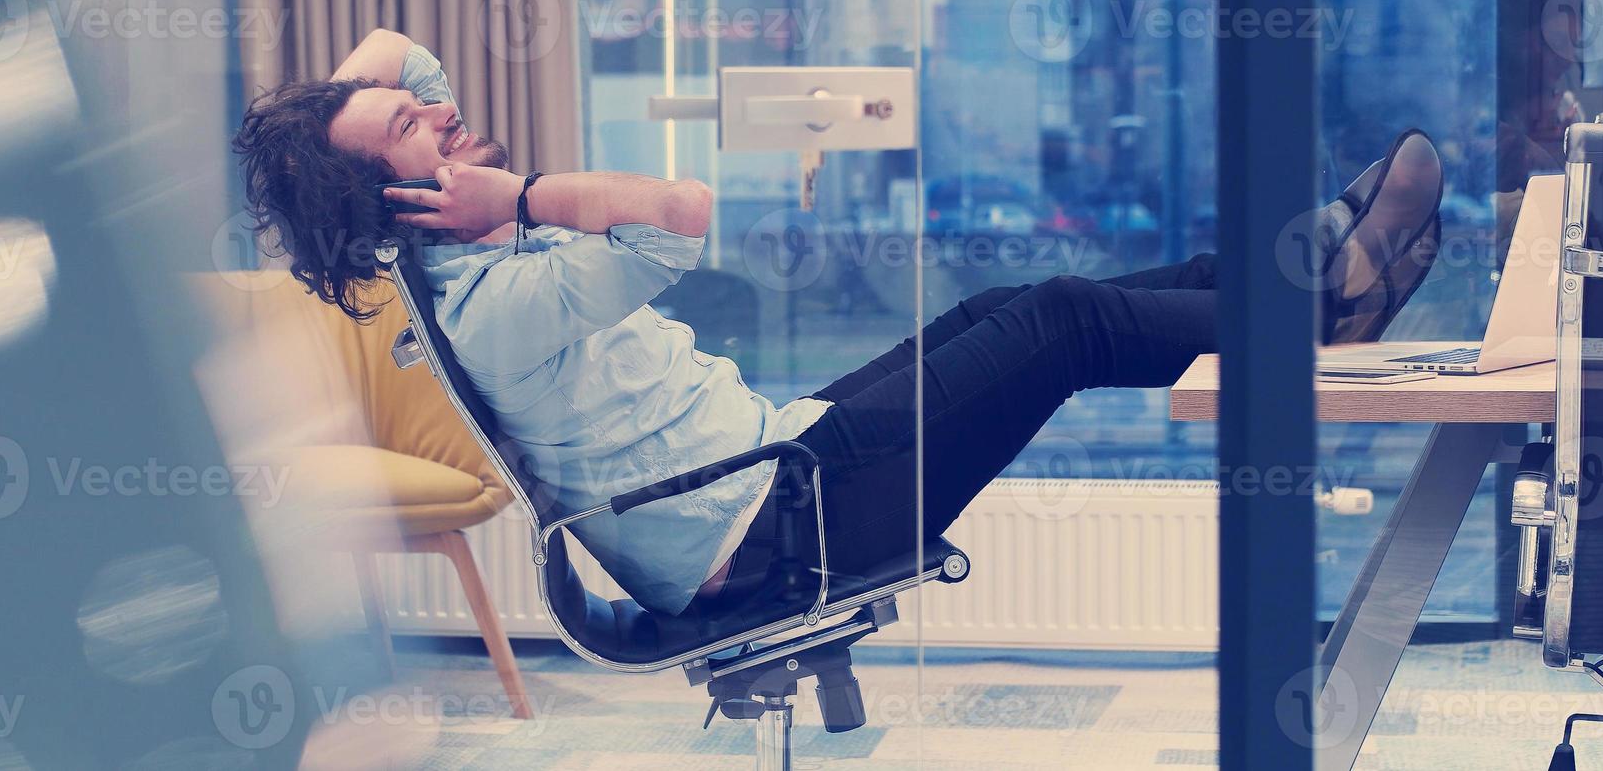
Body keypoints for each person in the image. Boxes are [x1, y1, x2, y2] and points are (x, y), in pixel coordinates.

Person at [233, 30, 1442, 615]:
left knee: (1007, 304)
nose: (440, 119)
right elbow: (676, 218)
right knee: (1064, 319)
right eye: (410, 134)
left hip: (775, 458)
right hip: (771, 527)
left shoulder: (453, 255)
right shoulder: (495, 299)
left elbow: (404, 56)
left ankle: (1305, 272)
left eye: (419, 116)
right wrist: (523, 195)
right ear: (394, 197)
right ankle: (1320, 301)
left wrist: (342, 121)